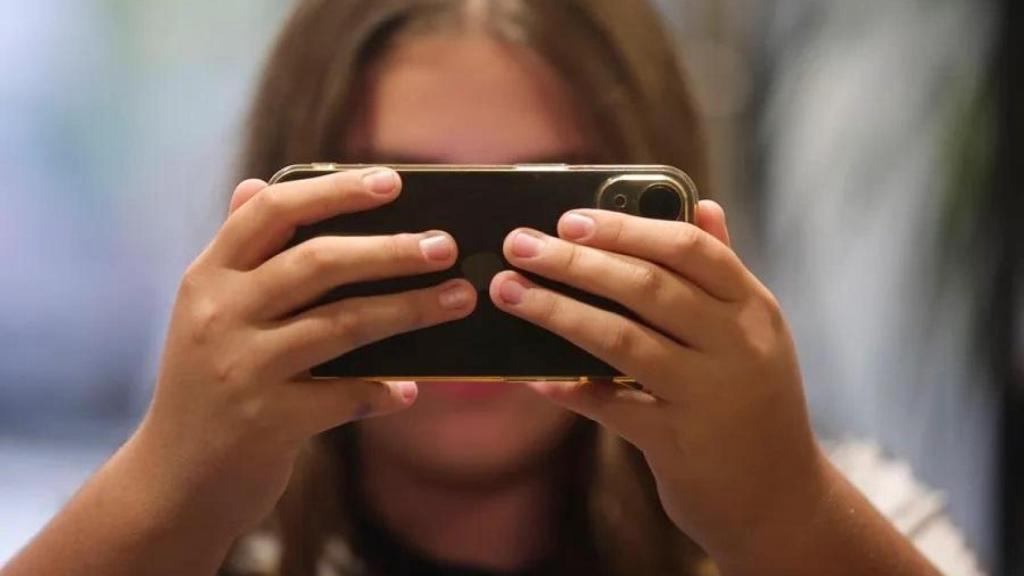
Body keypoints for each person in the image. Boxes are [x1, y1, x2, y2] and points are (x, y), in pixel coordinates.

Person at [0, 1, 946, 575]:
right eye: (403, 211)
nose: (478, 285)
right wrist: (170, 492)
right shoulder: (172, 536)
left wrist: (782, 516)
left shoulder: (839, 517)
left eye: (551, 212)